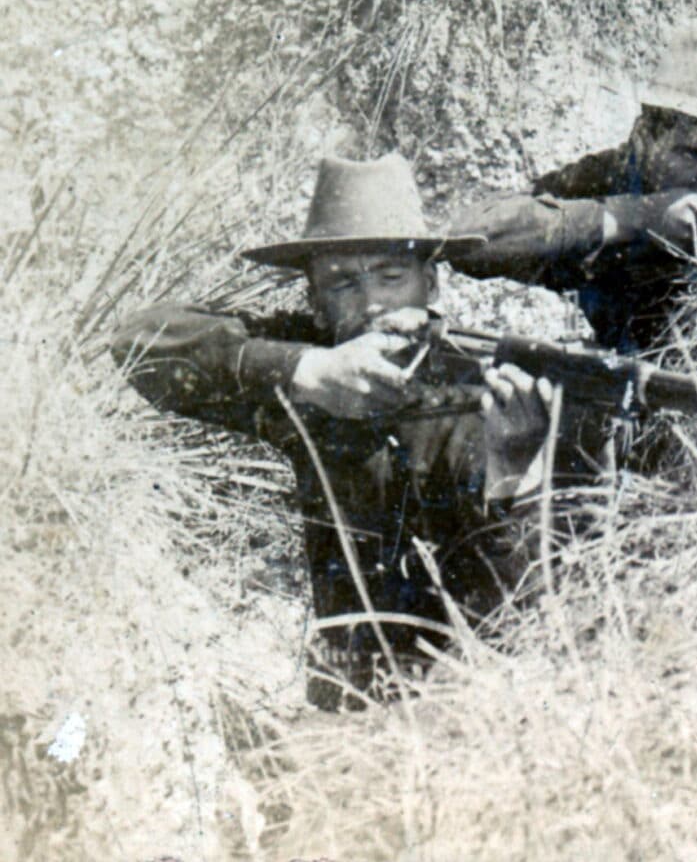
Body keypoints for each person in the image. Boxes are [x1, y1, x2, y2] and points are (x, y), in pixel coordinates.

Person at [111, 153, 563, 711]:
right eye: (343, 283)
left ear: (431, 283)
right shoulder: (313, 365)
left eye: (391, 276)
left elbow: (525, 624)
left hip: (470, 713)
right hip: (343, 704)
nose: (372, 302)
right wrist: (307, 372)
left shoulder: (492, 388)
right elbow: (140, 341)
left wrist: (515, 474)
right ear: (315, 304)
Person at [449, 21, 697, 357]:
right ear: (645, 136)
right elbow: (469, 241)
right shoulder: (613, 176)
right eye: (692, 153)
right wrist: (634, 218)